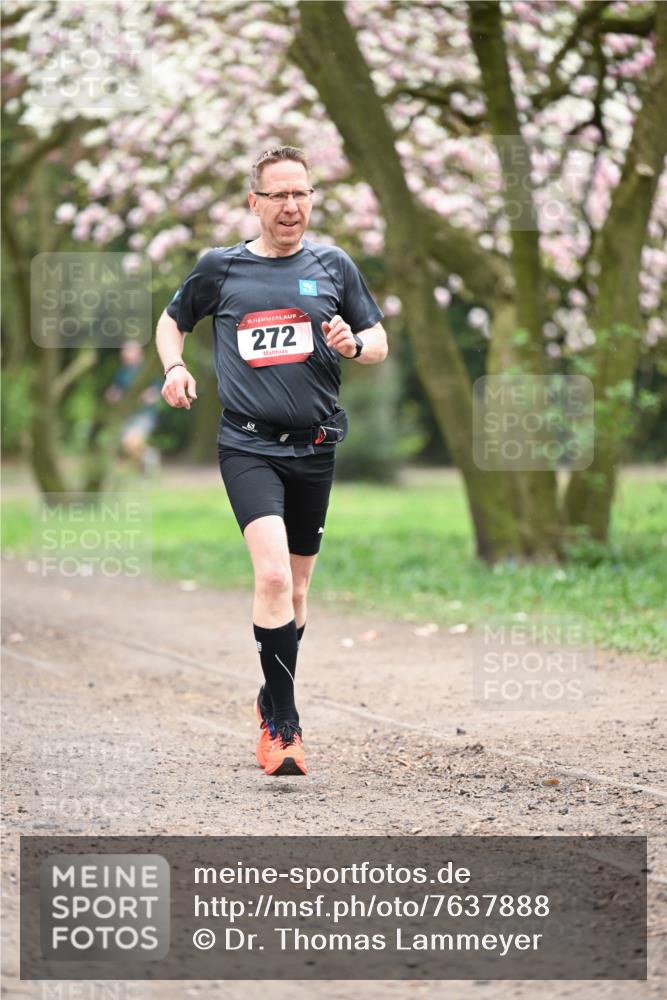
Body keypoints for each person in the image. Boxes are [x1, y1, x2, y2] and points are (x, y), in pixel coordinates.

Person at [156, 146, 388, 777]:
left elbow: (378, 341)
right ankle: (283, 726)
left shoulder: (334, 265)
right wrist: (174, 367)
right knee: (276, 579)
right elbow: (171, 321)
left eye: (302, 194)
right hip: (248, 444)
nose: (292, 206)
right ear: (253, 202)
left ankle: (271, 692)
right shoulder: (221, 268)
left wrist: (354, 341)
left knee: (302, 585)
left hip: (315, 446)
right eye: (279, 195)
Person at [105, 341, 161, 474]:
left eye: (128, 351)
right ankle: (148, 459)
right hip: (128, 415)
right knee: (128, 445)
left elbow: (157, 390)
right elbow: (116, 390)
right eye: (124, 351)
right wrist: (112, 395)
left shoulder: (146, 371)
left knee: (131, 443)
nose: (125, 354)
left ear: (138, 353)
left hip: (144, 415)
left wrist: (147, 397)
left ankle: (147, 462)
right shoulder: (122, 372)